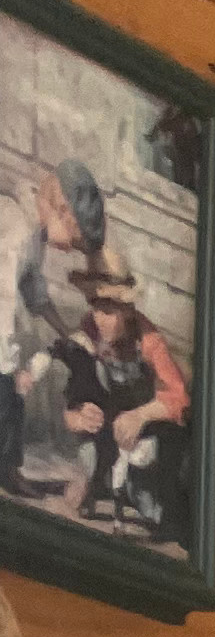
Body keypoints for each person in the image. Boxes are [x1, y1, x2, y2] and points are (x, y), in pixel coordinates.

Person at [62, 245, 189, 545]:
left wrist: (140, 415)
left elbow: (179, 398)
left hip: (145, 435)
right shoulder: (88, 330)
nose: (100, 318)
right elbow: (72, 393)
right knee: (89, 462)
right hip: (108, 428)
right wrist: (77, 416)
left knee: (150, 509)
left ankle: (135, 488)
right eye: (96, 307)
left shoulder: (149, 339)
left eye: (110, 310)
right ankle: (96, 477)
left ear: (128, 309)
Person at [0, 157, 103, 501]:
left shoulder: (35, 234)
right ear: (61, 208)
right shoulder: (16, 227)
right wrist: (8, 361)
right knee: (7, 391)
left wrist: (65, 330)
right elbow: (3, 298)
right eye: (73, 239)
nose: (69, 249)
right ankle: (6, 470)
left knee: (11, 396)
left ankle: (7, 469)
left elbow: (33, 290)